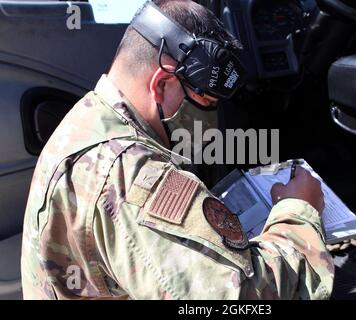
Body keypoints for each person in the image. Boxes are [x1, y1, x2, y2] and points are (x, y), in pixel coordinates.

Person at [21, 0, 334, 300]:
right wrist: (298, 211)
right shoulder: (130, 175)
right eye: (207, 103)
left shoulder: (90, 119)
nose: (210, 123)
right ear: (162, 84)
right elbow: (240, 298)